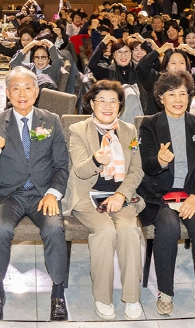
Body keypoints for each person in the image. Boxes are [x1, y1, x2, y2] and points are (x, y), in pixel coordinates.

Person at [137, 71, 195, 317]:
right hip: (160, 194)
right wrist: (160, 161)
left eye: (183, 94)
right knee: (168, 228)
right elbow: (147, 167)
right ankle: (165, 292)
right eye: (171, 94)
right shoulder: (149, 124)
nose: (178, 99)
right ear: (161, 98)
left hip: (191, 193)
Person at [0, 67, 69, 321]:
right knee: (0, 231)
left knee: (54, 230)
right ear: (8, 93)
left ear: (36, 91)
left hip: (43, 193)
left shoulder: (51, 120)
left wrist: (53, 193)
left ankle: (58, 294)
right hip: (9, 194)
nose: (22, 94)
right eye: (16, 89)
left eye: (27, 88)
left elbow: (61, 164)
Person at [62, 80, 145, 320]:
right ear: (91, 104)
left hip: (119, 195)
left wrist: (121, 195)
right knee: (106, 231)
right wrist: (96, 160)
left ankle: (132, 297)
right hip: (87, 195)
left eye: (113, 102)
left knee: (129, 230)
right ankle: (102, 297)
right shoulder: (78, 130)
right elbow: (80, 170)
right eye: (102, 101)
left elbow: (136, 170)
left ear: (120, 106)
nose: (107, 107)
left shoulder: (129, 131)